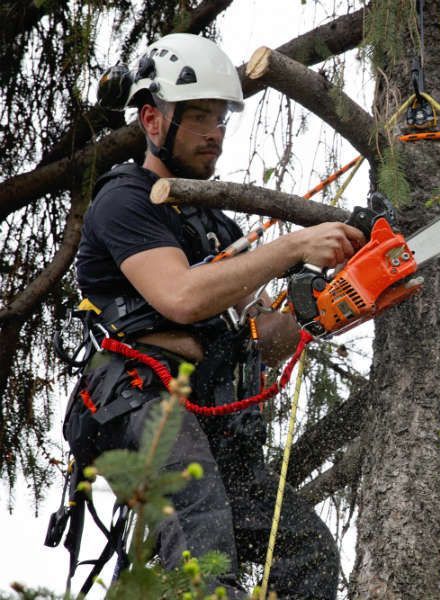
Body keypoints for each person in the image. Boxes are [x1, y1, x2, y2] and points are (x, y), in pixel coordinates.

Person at [63, 33, 364, 598]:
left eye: (221, 118)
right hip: (141, 395)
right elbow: (180, 296)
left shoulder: (216, 225)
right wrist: (291, 248)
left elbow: (264, 336)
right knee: (200, 533)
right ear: (152, 121)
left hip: (209, 411)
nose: (214, 132)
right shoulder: (125, 199)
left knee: (302, 549)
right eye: (197, 116)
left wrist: (332, 301)